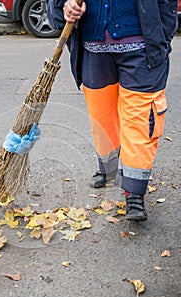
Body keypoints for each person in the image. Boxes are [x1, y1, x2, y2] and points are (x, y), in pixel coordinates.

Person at [47, 0, 178, 221]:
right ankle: (108, 168)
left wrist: (162, 39)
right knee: (102, 118)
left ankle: (134, 192)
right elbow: (58, 6)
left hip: (142, 50)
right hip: (93, 49)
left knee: (140, 120)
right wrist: (65, 7)